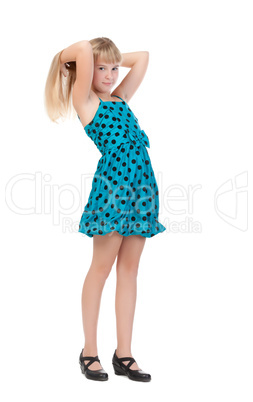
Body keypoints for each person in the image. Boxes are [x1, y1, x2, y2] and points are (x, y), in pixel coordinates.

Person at [44, 37, 166, 382]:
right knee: (100, 269)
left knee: (129, 271)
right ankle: (89, 351)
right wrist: (88, 60)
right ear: (86, 70)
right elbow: (82, 50)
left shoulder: (121, 97)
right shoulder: (86, 101)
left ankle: (124, 354)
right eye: (103, 68)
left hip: (142, 190)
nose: (111, 74)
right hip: (112, 192)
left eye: (114, 68)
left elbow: (143, 57)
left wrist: (109, 57)